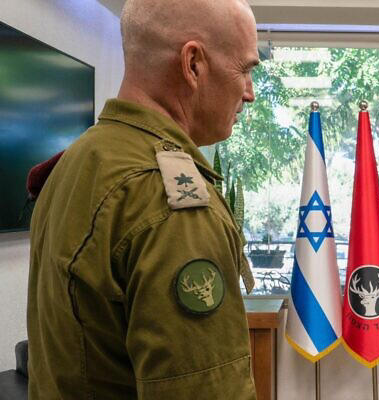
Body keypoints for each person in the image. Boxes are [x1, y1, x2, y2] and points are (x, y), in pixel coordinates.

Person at [27, 0, 259, 398]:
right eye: (245, 69)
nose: (249, 93)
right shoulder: (168, 201)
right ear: (193, 65)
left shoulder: (80, 161)